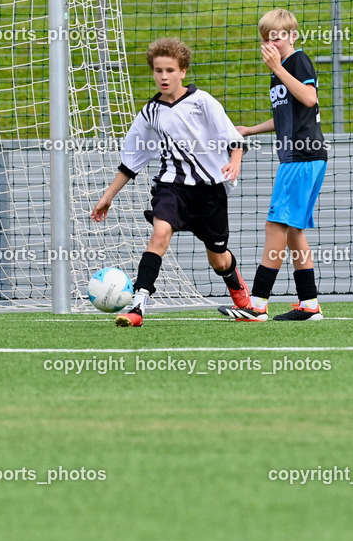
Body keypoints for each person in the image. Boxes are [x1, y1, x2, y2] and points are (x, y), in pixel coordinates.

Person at [91, 37, 251, 327]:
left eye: (170, 70)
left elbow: (234, 138)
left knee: (219, 259)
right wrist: (108, 196)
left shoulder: (203, 102)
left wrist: (235, 160)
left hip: (209, 192)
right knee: (159, 235)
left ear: (183, 71)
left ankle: (237, 288)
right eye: (158, 70)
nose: (163, 76)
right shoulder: (150, 113)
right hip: (170, 187)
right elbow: (132, 161)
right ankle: (137, 306)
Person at [219, 9, 328, 322]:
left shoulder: (297, 62)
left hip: (302, 157)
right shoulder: (279, 71)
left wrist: (278, 69)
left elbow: (309, 98)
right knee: (293, 231)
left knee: (275, 226)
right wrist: (250, 130)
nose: (272, 42)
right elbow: (286, 115)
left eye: (278, 36)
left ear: (292, 36)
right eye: (266, 38)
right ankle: (309, 305)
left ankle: (257, 304)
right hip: (300, 158)